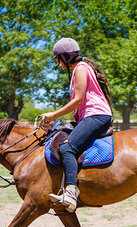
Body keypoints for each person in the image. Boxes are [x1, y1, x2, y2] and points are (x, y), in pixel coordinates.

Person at [41, 37, 113, 212]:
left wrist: (53, 115)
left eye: (58, 59)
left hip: (96, 115)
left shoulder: (80, 68)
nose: (58, 64)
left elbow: (78, 100)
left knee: (67, 148)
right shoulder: (81, 69)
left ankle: (71, 193)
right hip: (89, 116)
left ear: (65, 57)